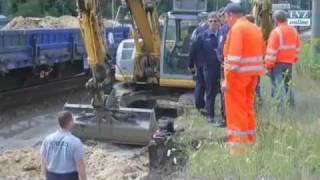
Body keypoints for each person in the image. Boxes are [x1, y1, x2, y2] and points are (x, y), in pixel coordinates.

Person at [222, 3, 265, 154]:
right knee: (247, 107)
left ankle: (239, 149)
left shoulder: (237, 29)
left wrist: (227, 80)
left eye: (226, 17)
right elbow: (261, 52)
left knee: (236, 111)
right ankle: (250, 141)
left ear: (231, 15)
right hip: (253, 76)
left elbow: (233, 59)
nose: (226, 21)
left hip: (237, 77)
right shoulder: (254, 28)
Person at [265, 10, 300, 112]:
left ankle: (279, 112)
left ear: (275, 20)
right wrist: (293, 58)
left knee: (278, 88)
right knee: (288, 86)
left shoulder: (276, 32)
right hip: (289, 63)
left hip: (277, 65)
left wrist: (268, 66)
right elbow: (297, 48)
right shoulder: (293, 31)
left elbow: (271, 51)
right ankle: (292, 108)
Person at [40, 111, 87, 180]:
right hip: (69, 176)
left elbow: (43, 157)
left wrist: (44, 175)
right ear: (70, 122)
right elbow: (80, 163)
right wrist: (84, 178)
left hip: (51, 175)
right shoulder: (75, 142)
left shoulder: (48, 139)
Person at [197, 12, 224, 125]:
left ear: (219, 22)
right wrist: (201, 65)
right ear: (207, 22)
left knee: (223, 93)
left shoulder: (223, 35)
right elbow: (196, 52)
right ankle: (210, 116)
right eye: (211, 21)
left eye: (215, 21)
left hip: (222, 68)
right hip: (209, 68)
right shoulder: (202, 36)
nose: (213, 23)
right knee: (210, 92)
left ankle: (224, 117)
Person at [188, 13, 208, 113]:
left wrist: (190, 64)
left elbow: (192, 48)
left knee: (200, 85)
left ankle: (200, 106)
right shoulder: (211, 29)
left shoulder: (196, 31)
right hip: (208, 63)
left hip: (199, 63)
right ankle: (205, 107)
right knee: (207, 86)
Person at [245, 14, 262, 102]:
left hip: (246, 64)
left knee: (247, 86)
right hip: (257, 63)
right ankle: (258, 99)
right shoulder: (259, 30)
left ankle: (250, 101)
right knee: (256, 84)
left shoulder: (244, 31)